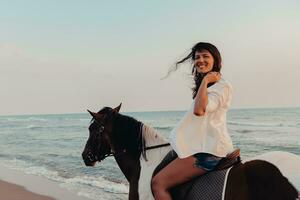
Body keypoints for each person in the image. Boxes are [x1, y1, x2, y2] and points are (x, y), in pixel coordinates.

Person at [151, 42, 236, 200]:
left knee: (158, 184)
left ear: (215, 60)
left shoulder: (221, 86)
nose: (200, 60)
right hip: (201, 146)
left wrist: (205, 81)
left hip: (210, 152)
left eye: (205, 56)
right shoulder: (209, 86)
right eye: (197, 57)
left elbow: (199, 111)